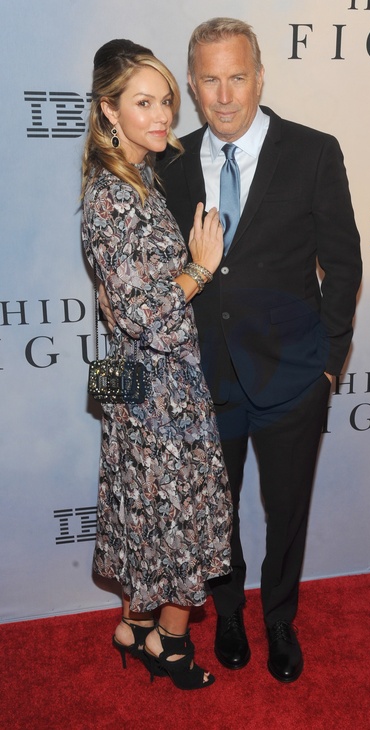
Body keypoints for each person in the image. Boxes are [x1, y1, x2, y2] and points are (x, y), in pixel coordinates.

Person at [101, 18, 362, 683]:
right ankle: (229, 613)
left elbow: (343, 264)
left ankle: (279, 618)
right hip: (201, 380)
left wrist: (327, 364)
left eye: (237, 78)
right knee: (211, 515)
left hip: (293, 377)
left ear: (259, 77)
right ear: (192, 85)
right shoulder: (166, 160)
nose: (224, 96)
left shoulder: (313, 152)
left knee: (287, 513)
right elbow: (142, 276)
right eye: (209, 80)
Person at [81, 38, 232, 690]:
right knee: (175, 517)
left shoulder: (137, 178)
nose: (163, 113)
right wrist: (199, 268)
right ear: (108, 111)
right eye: (143, 102)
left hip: (136, 376)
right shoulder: (112, 196)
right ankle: (168, 644)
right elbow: (146, 316)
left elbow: (124, 307)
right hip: (155, 387)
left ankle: (132, 626)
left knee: (144, 511)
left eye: (166, 100)